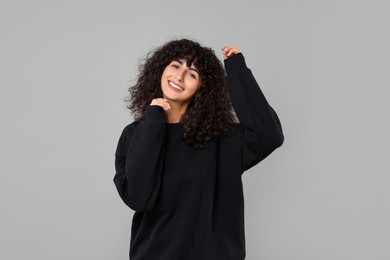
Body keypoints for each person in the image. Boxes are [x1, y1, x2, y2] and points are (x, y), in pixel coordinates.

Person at [114, 39, 284, 260]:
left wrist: (237, 70)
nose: (180, 76)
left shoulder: (222, 138)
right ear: (161, 69)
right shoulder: (134, 134)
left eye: (192, 73)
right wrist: (153, 121)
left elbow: (269, 135)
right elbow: (138, 198)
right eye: (175, 65)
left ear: (202, 87)